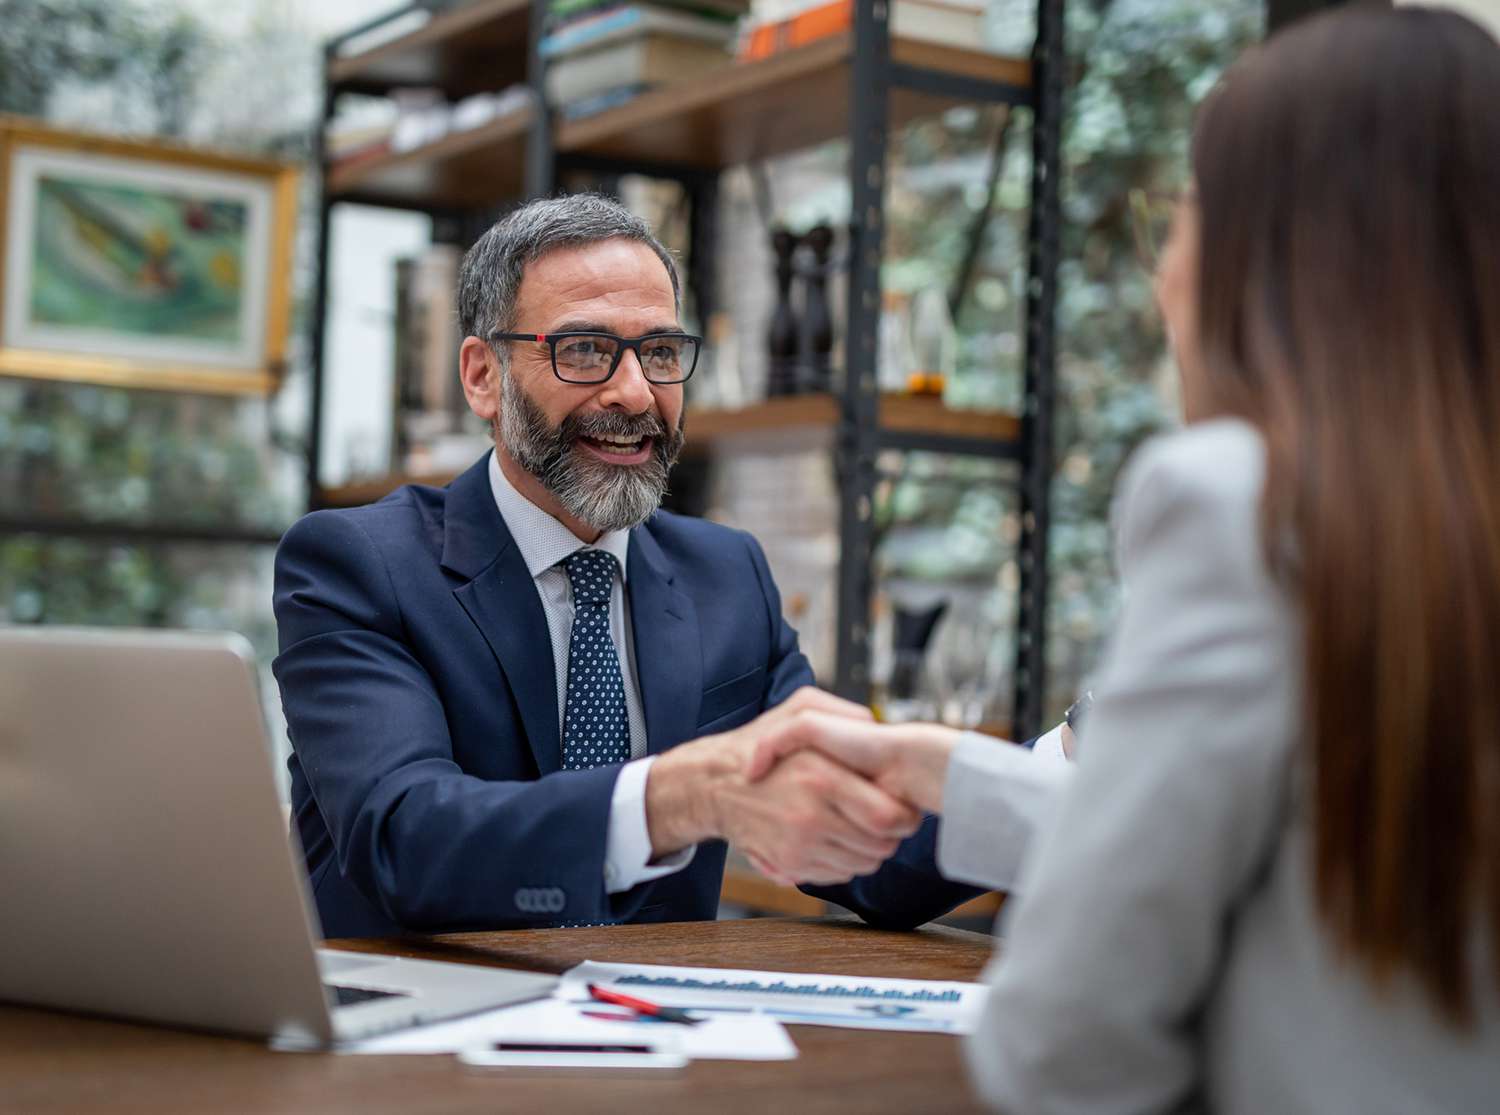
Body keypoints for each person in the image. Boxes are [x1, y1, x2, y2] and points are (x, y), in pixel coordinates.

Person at [748, 7, 1500, 1111]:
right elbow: (1308, 837)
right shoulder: (1437, 528)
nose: (1162, 274)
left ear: (1269, 256)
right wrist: (953, 775)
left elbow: (1067, 1039)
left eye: (1184, 217)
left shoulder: (1240, 507)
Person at [273, 194, 982, 938]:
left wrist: (1062, 758)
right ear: (483, 376)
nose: (636, 391)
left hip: (660, 1033)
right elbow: (404, 840)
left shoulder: (726, 574)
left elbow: (869, 853)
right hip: (417, 1034)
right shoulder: (358, 564)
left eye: (662, 352)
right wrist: (678, 798)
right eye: (583, 350)